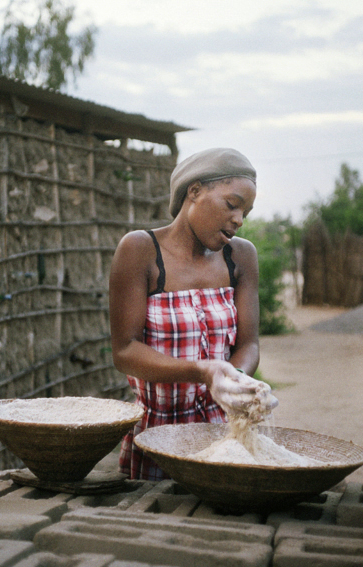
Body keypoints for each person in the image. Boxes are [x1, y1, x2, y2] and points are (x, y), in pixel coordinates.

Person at [109, 148, 277, 481]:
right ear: (195, 191)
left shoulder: (240, 257)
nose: (239, 220)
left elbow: (249, 343)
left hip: (224, 441)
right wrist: (202, 370)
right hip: (157, 440)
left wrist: (237, 380)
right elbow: (125, 351)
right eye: (232, 204)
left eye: (246, 212)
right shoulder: (140, 250)